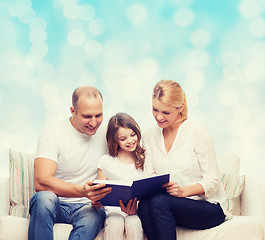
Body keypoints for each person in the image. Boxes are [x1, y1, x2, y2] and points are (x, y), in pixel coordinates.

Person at [138, 80, 228, 240]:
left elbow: (213, 181)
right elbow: (150, 176)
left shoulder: (197, 131)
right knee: (145, 205)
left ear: (180, 108)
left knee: (159, 202)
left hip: (207, 206)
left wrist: (183, 192)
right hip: (168, 204)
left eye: (166, 112)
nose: (159, 117)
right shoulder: (149, 136)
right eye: (155, 109)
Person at [28, 86, 112, 240]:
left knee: (96, 214)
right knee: (43, 198)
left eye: (98, 115)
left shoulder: (108, 134)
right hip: (57, 204)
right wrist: (81, 190)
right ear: (73, 111)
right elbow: (41, 182)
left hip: (89, 207)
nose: (94, 123)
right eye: (87, 116)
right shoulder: (52, 133)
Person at [93, 112, 145, 240]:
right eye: (123, 139)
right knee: (115, 222)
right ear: (115, 140)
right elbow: (99, 192)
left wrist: (136, 207)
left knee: (134, 223)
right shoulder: (106, 161)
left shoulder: (144, 158)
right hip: (113, 212)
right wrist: (95, 201)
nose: (130, 141)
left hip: (136, 211)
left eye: (133, 135)